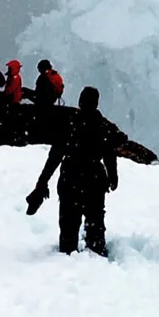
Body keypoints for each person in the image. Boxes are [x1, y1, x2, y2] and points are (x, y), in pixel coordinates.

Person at [26, 86, 137, 257]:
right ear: (97, 103)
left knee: (69, 225)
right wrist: (112, 176)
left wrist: (42, 181)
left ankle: (68, 255)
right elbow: (109, 152)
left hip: (70, 178)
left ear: (80, 102)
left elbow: (55, 156)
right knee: (95, 223)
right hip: (94, 179)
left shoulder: (69, 124)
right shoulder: (103, 126)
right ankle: (96, 254)